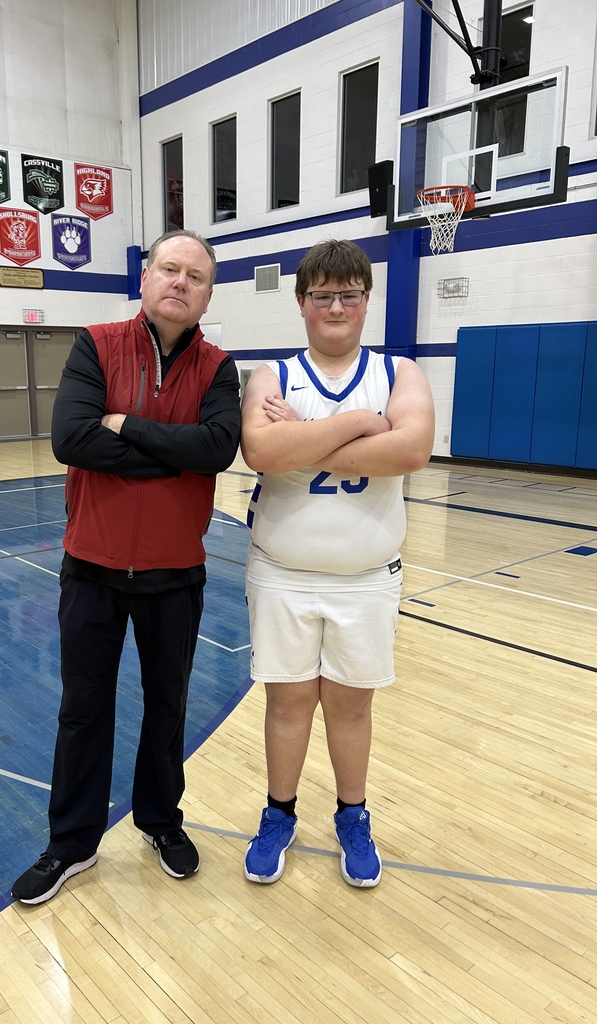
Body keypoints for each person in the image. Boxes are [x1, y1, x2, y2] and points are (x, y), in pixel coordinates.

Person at [12, 229, 241, 905]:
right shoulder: (96, 344)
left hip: (176, 572)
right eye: (169, 268)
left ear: (206, 294)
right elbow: (70, 438)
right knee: (84, 709)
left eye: (194, 275)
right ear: (145, 278)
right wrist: (177, 451)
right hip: (92, 566)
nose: (180, 282)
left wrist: (127, 426)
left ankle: (160, 821)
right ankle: (71, 844)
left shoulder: (219, 368)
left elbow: (219, 448)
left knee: (167, 708)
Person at [240, 239, 434, 888]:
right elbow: (262, 452)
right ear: (300, 304)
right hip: (281, 573)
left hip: (366, 578)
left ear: (367, 300)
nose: (335, 306)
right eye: (321, 294)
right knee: (288, 702)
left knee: (351, 707)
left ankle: (353, 816)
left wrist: (306, 436)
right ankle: (278, 814)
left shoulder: (401, 373)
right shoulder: (273, 377)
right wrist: (361, 425)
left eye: (348, 293)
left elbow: (410, 451)